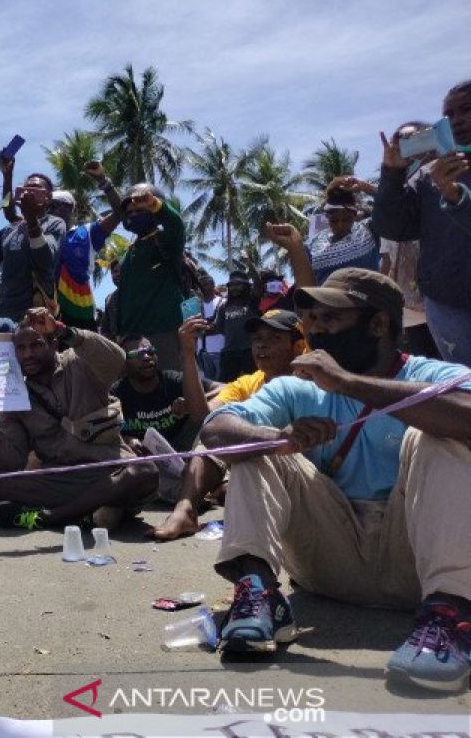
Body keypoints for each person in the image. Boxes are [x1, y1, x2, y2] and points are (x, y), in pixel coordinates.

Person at [199, 268, 471, 692]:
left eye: (330, 320)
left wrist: (349, 383)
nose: (315, 334)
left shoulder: (434, 373)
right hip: (328, 563)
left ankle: (450, 618)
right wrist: (278, 438)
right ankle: (259, 594)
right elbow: (215, 430)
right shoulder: (295, 387)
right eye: (311, 321)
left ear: (378, 325)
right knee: (257, 449)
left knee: (439, 432)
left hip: (416, 568)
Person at [0, 309, 154, 531]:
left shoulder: (79, 362)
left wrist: (63, 330)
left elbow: (116, 360)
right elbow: (11, 462)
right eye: (21, 348)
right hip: (62, 481)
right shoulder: (15, 395)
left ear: (54, 343)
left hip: (109, 472)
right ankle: (92, 512)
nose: (27, 354)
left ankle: (51, 517)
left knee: (145, 471)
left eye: (36, 345)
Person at [151, 309, 308, 541]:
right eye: (257, 339)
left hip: (301, 472)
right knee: (211, 442)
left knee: (231, 488)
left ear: (298, 347)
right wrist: (187, 352)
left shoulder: (311, 376)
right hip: (255, 465)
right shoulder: (247, 382)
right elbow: (203, 416)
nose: (262, 346)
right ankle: (185, 510)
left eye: (274, 338)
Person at [374, 82, 471, 365]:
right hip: (447, 305)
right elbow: (394, 226)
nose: (458, 120)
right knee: (463, 396)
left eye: (467, 110)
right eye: (449, 115)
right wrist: (391, 174)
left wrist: (456, 196)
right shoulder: (430, 174)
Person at [0, 171, 66, 323]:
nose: (28, 192)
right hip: (0, 316)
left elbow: (45, 259)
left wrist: (32, 219)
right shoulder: (7, 231)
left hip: (34, 318)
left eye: (35, 188)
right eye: (25, 188)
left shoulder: (55, 223)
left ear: (48, 198)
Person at [112, 184, 187, 371]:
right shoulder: (131, 251)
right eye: (130, 212)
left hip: (164, 336)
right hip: (131, 339)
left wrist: (156, 205)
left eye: (140, 209)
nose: (133, 215)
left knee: (171, 390)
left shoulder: (166, 241)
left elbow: (176, 225)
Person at [112, 328, 214, 453]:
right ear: (123, 363)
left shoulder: (174, 380)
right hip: (139, 461)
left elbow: (224, 388)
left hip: (182, 453)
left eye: (150, 351)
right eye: (136, 353)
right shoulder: (116, 394)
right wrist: (125, 439)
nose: (146, 357)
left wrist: (192, 403)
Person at [53, 162, 124, 330]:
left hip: (81, 315)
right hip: (49, 311)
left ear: (70, 209)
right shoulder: (39, 233)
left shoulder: (88, 232)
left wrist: (102, 180)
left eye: (55, 205)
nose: (50, 210)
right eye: (48, 206)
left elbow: (119, 213)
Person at [308, 181, 381, 284]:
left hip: (367, 298)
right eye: (334, 220)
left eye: (346, 219)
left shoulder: (369, 230)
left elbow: (392, 207)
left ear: (354, 215)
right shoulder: (312, 245)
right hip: (326, 299)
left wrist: (369, 188)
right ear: (327, 218)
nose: (340, 225)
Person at [211, 270, 259, 382]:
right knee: (224, 385)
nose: (234, 287)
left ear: (246, 286)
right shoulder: (224, 306)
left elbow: (258, 284)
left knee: (255, 383)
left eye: (238, 284)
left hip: (249, 350)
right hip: (229, 351)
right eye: (232, 285)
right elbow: (220, 327)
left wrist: (250, 265)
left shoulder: (251, 301)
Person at [196, 275, 225, 379]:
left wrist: (201, 328)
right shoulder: (196, 305)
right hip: (202, 352)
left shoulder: (222, 302)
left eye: (206, 284)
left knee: (222, 384)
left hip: (219, 350)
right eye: (200, 285)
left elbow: (218, 326)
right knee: (209, 386)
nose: (203, 287)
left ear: (213, 285)